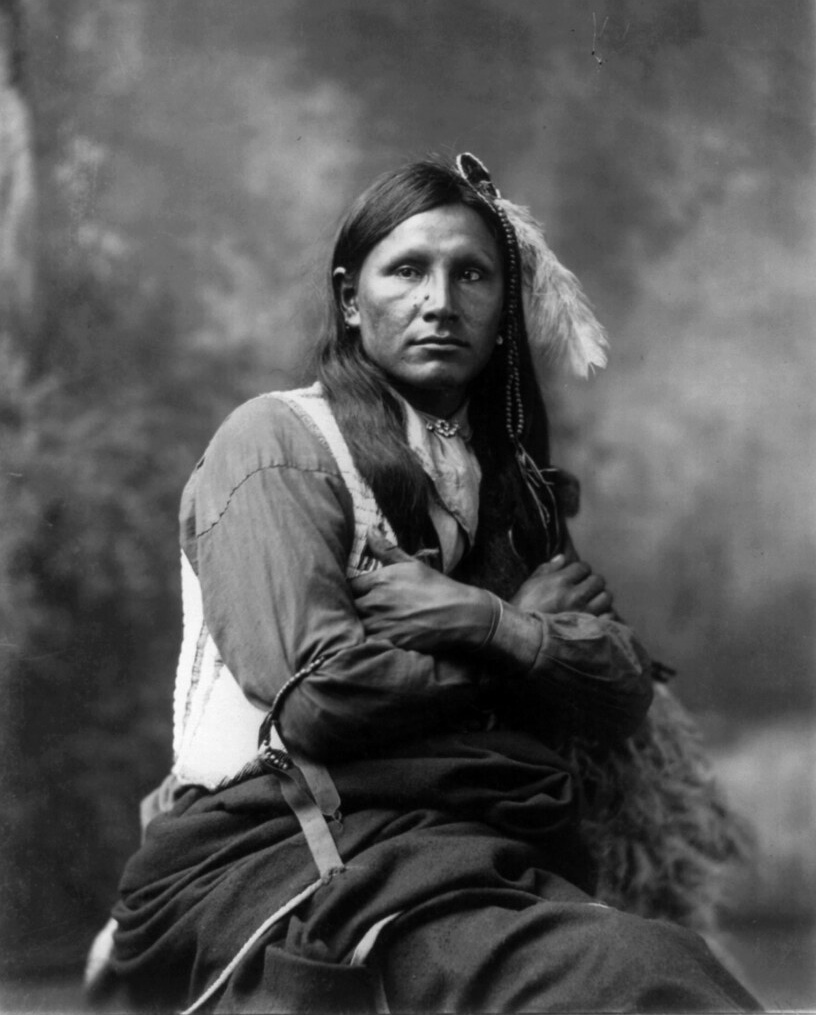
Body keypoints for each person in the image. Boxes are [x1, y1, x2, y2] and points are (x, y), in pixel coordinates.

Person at [105, 154, 760, 1012]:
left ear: (501, 313)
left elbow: (618, 689)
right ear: (350, 299)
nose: (441, 301)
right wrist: (522, 638)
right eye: (408, 270)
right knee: (631, 981)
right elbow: (320, 701)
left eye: (473, 275)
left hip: (464, 846)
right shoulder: (274, 444)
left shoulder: (508, 485)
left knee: (664, 964)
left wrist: (482, 620)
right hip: (285, 847)